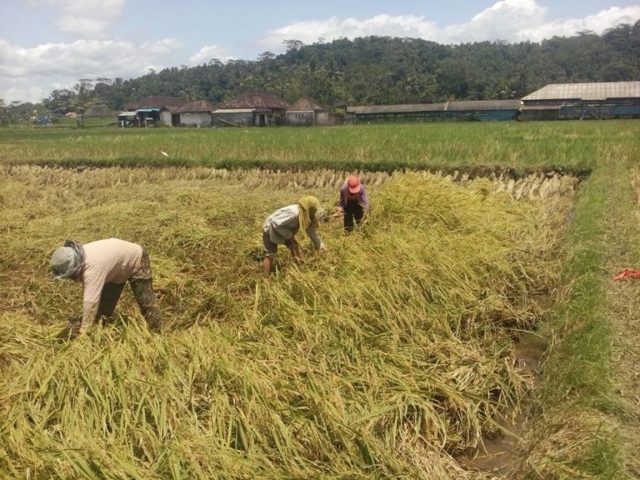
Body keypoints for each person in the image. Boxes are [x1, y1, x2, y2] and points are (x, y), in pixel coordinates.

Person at [49, 238, 162, 335]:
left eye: (71, 276)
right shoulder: (81, 256)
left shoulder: (92, 268)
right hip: (116, 269)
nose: (71, 279)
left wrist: (83, 331)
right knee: (103, 311)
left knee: (147, 303)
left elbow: (90, 302)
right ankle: (101, 334)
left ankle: (156, 334)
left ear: (74, 268)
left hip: (137, 259)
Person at [262, 195, 326, 275]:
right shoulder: (293, 213)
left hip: (285, 231)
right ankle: (265, 276)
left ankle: (298, 267)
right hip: (270, 229)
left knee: (295, 246)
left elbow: (311, 231)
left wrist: (320, 245)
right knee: (270, 254)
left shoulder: (306, 216)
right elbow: (276, 223)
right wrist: (290, 236)